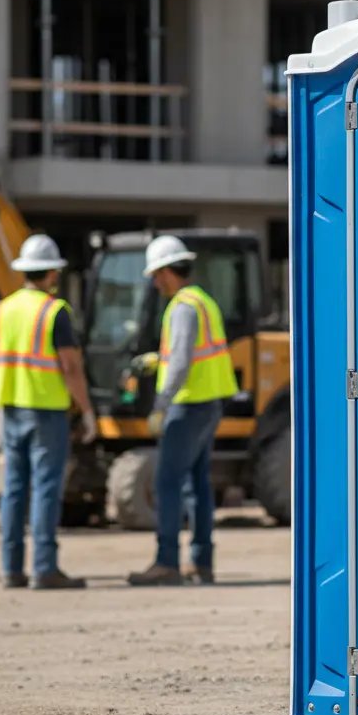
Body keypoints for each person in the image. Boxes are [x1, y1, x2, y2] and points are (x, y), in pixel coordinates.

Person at [0, 234, 97, 590]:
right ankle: (44, 568)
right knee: (46, 488)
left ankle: (11, 568)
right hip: (46, 410)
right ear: (51, 273)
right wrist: (87, 411)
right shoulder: (54, 311)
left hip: (10, 408)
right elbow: (71, 367)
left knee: (13, 489)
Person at [127, 235, 237, 587]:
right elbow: (186, 353)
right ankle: (201, 562)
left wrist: (160, 405)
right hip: (208, 403)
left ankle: (167, 561)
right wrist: (158, 359)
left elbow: (182, 361)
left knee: (167, 482)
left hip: (188, 405)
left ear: (167, 272)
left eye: (155, 275)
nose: (155, 283)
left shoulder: (182, 307)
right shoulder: (203, 300)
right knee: (197, 483)